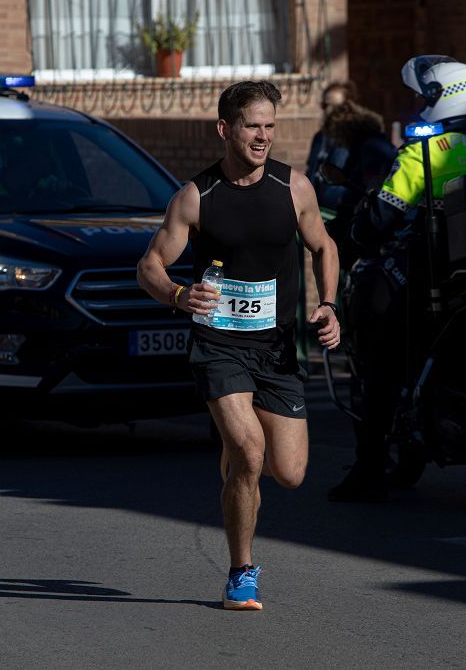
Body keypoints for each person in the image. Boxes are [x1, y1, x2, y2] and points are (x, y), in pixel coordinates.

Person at [137, 80, 340, 610]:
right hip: (218, 344)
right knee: (249, 453)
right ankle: (240, 573)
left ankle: (238, 459)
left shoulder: (294, 188)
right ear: (226, 129)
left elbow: (324, 245)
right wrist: (179, 295)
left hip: (275, 348)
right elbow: (150, 266)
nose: (263, 137)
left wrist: (330, 304)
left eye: (270, 126)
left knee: (290, 474)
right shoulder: (195, 197)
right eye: (253, 126)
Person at [327, 56, 466, 503]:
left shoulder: (425, 151)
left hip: (438, 276)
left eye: (421, 97)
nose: (415, 105)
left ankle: (369, 467)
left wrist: (353, 234)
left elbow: (381, 216)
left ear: (440, 99)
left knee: (378, 354)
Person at [318, 100, 397, 271]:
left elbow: (370, 188)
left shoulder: (372, 148)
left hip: (374, 231)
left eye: (335, 136)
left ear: (343, 129)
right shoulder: (369, 145)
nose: (337, 142)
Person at [305, 80, 358, 213]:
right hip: (317, 210)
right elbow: (311, 171)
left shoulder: (353, 137)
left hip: (339, 210)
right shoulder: (320, 137)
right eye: (325, 105)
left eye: (335, 106)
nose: (328, 110)